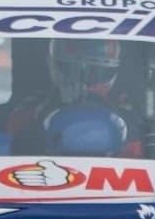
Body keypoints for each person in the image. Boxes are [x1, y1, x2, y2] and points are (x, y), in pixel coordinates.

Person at [9, 38, 140, 156]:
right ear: (51, 64)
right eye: (71, 69)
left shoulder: (124, 104)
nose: (84, 82)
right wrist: (47, 108)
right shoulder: (39, 101)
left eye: (95, 72)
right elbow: (11, 138)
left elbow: (140, 151)